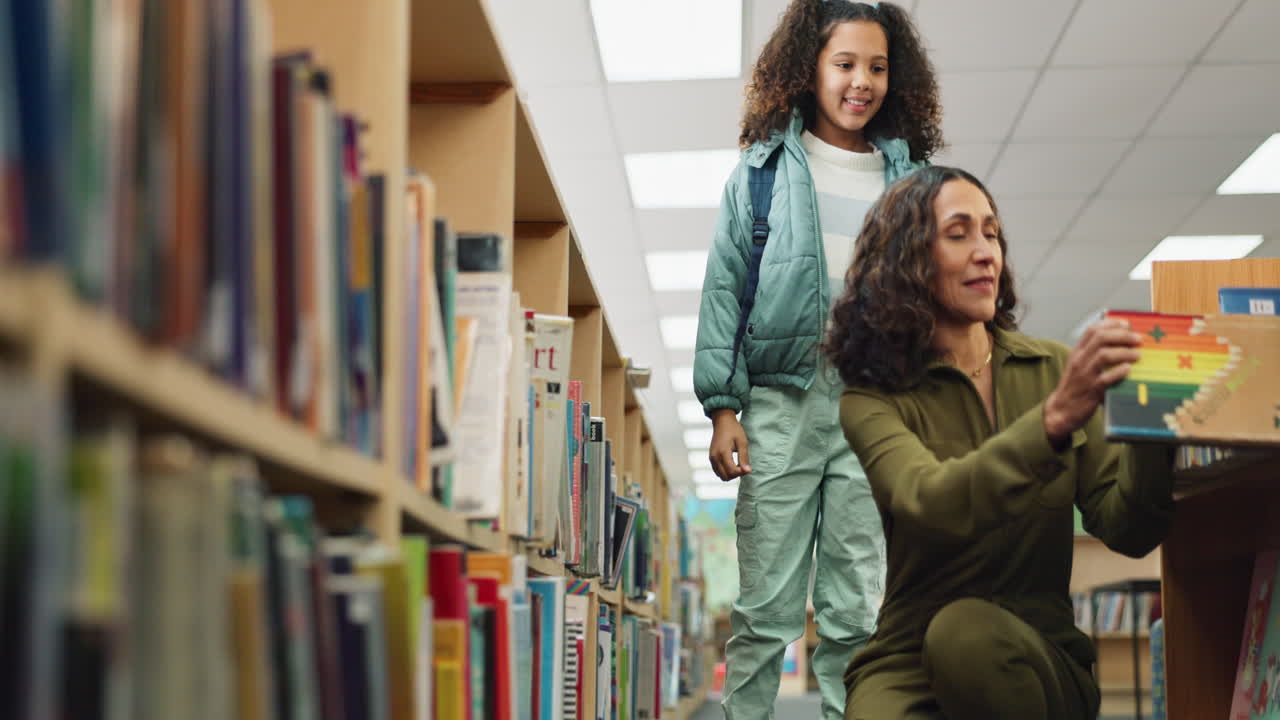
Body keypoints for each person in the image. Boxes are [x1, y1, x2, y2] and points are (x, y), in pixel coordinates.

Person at [825, 165, 1176, 720]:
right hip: (909, 653)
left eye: (991, 233)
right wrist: (1053, 420)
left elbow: (1129, 530)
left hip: (1038, 653)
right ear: (906, 260)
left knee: (966, 635)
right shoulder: (872, 399)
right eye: (959, 233)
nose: (987, 251)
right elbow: (928, 501)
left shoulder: (1054, 369)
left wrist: (1155, 431)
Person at [692, 2, 942, 718]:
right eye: (845, 64)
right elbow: (723, 291)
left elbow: (931, 302)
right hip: (779, 402)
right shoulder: (763, 173)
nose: (861, 82)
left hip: (875, 406)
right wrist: (723, 408)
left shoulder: (913, 183)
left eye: (877, 67)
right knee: (765, 611)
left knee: (856, 614)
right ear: (809, 69)